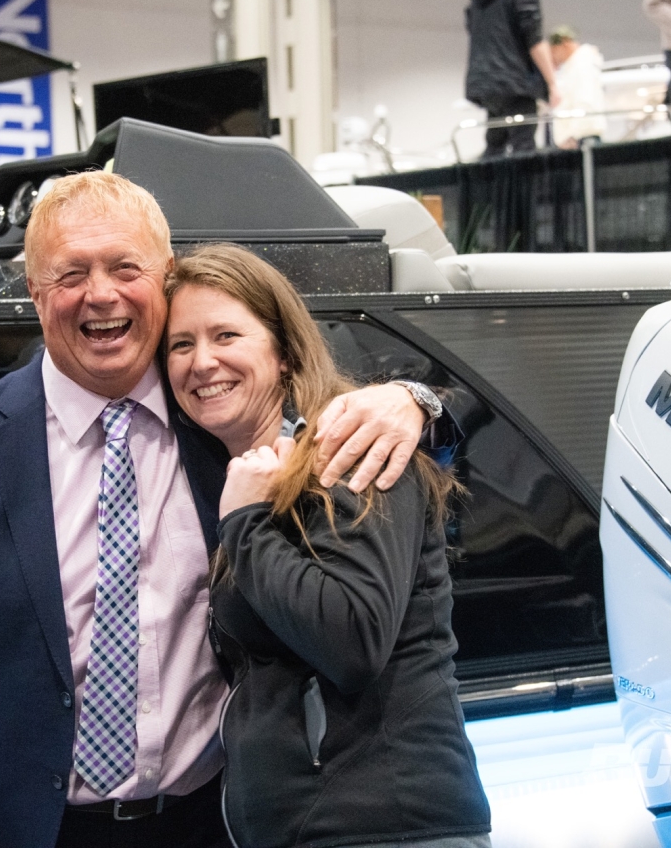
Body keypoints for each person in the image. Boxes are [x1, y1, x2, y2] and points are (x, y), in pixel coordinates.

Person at [0, 171, 443, 848]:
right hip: (20, 829)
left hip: (208, 823)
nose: (100, 293)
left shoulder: (222, 413)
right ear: (35, 295)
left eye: (124, 266)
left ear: (162, 281)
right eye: (71, 273)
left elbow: (392, 454)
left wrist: (418, 404)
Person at [164, 243, 492, 848]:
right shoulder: (251, 471)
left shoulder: (350, 450)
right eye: (181, 344)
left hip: (384, 829)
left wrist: (245, 523)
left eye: (226, 336)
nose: (202, 362)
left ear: (284, 352)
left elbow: (352, 638)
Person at [464, 0, 562, 158]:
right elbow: (534, 40)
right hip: (515, 83)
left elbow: (472, 29)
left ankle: (491, 185)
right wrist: (552, 83)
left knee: (495, 144)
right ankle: (524, 186)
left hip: (485, 83)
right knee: (523, 147)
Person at [548, 25, 606, 149]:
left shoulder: (582, 65)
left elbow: (585, 101)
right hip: (578, 138)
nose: (553, 56)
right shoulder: (574, 66)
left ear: (565, 44)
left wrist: (573, 135)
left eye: (554, 50)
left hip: (580, 140)